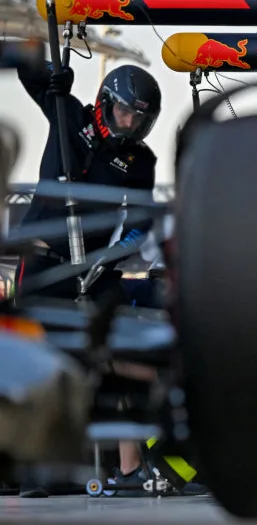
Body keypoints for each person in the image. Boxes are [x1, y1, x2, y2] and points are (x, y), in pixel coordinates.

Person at [14, 57, 162, 498]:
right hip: (44, 260)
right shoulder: (66, 112)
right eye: (124, 112)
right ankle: (42, 468)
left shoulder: (140, 162)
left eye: (140, 118)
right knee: (40, 361)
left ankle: (131, 467)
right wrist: (52, 75)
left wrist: (109, 257)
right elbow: (27, 69)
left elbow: (140, 224)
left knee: (123, 348)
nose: (130, 123)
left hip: (95, 267)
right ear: (106, 103)